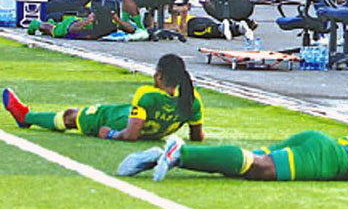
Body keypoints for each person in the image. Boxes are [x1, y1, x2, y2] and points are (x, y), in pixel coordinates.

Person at [117, 99, 348, 184]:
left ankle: (165, 155)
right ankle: (180, 154)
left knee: (253, 159)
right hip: (334, 161)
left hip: (323, 142)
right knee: (258, 169)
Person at [3, 54, 204, 142]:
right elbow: (197, 136)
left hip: (119, 120)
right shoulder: (193, 100)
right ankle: (26, 117)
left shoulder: (147, 95)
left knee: (72, 117)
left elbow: (130, 135)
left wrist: (110, 134)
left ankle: (26, 117)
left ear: (158, 76)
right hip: (139, 121)